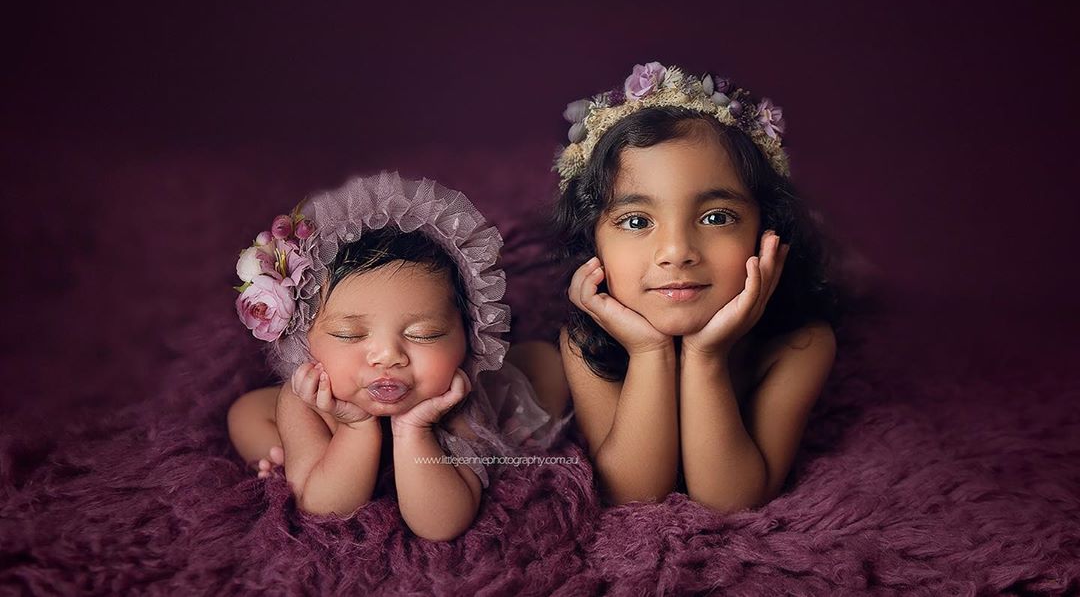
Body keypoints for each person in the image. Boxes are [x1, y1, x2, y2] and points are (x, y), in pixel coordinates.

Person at [551, 62, 845, 513]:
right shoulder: (586, 341)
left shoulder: (800, 344)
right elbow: (633, 495)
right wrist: (648, 352)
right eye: (636, 221)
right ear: (593, 244)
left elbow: (730, 500)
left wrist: (707, 356)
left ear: (768, 234)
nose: (676, 251)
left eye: (716, 217)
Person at [226, 171, 569, 540]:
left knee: (544, 361)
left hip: (449, 414)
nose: (388, 356)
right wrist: (356, 427)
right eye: (350, 334)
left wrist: (413, 429)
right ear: (305, 341)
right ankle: (298, 459)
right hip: (335, 409)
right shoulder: (306, 400)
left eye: (425, 334)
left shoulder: (457, 401)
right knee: (246, 413)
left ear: (469, 335)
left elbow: (440, 524)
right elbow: (325, 508)